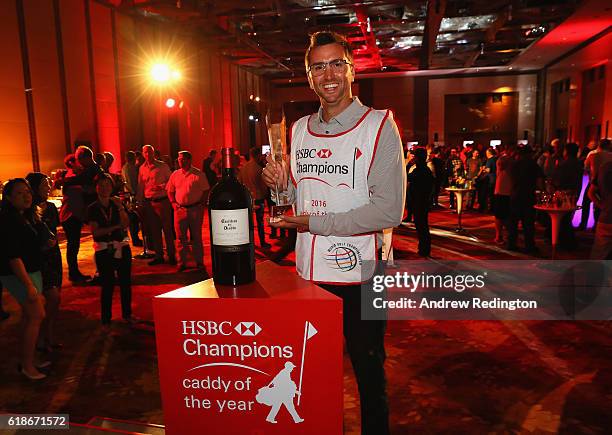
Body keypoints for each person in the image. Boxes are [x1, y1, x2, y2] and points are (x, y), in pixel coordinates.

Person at [262, 31, 405, 435]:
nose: (328, 74)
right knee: (315, 372)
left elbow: (387, 210)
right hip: (311, 276)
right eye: (318, 66)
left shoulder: (378, 126)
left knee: (368, 370)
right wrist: (278, 184)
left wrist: (314, 223)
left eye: (336, 64)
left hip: (363, 275)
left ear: (351, 69)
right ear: (309, 76)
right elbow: (297, 195)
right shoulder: (300, 129)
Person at [0, 179, 53, 379]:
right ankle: (28, 367)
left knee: (30, 316)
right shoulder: (8, 219)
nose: (26, 196)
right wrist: (28, 284)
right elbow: (13, 256)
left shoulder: (26, 216)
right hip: (18, 274)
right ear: (8, 197)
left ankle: (27, 360)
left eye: (28, 191)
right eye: (20, 193)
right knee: (36, 315)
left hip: (31, 271)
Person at [86, 174, 133, 327]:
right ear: (96, 187)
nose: (105, 188)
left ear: (112, 187)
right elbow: (96, 233)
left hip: (122, 246)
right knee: (107, 284)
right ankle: (106, 318)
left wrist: (120, 207)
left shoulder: (116, 204)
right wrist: (114, 227)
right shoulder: (92, 208)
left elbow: (126, 224)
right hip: (104, 250)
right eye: (101, 185)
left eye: (108, 184)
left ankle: (127, 314)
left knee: (125, 283)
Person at [26, 172, 63, 353]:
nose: (48, 188)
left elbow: (54, 231)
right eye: (44, 185)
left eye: (48, 184)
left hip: (53, 255)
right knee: (48, 298)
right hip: (38, 259)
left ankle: (50, 335)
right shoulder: (27, 210)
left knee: (55, 300)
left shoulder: (50, 207)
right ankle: (39, 339)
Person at [61, 146, 103, 281]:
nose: (79, 165)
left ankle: (79, 272)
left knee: (79, 244)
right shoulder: (74, 176)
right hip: (71, 214)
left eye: (79, 161)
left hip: (75, 214)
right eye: (76, 162)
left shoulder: (85, 174)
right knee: (74, 245)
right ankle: (74, 273)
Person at [166, 151, 209, 272]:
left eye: (183, 159)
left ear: (189, 160)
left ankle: (199, 262)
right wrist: (173, 203)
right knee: (180, 238)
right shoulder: (175, 174)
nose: (180, 161)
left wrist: (201, 204)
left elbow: (206, 190)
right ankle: (182, 262)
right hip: (179, 209)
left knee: (196, 237)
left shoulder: (198, 174)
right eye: (179, 159)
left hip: (195, 209)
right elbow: (169, 190)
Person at [137, 144, 176, 265]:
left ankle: (171, 255)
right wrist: (139, 201)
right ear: (143, 154)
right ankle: (159, 256)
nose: (148, 154)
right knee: (155, 231)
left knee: (167, 230)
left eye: (150, 152)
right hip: (149, 202)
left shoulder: (162, 166)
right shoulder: (142, 168)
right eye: (145, 152)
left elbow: (171, 182)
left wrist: (162, 186)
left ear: (154, 153)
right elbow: (141, 185)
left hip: (162, 201)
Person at [507, 146, 544, 253]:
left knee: (513, 222)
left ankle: (511, 244)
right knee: (528, 223)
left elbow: (512, 179)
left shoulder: (514, 164)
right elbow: (540, 181)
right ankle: (529, 246)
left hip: (515, 194)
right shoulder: (533, 164)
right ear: (529, 154)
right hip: (528, 195)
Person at [239, 147, 271, 248]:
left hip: (248, 197)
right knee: (260, 222)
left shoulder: (244, 168)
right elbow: (263, 185)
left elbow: (240, 181)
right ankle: (262, 242)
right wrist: (266, 194)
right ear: (257, 155)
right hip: (258, 197)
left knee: (248, 222)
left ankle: (249, 242)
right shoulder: (258, 169)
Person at [407, 148, 434, 257]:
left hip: (420, 202)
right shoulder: (425, 170)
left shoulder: (420, 170)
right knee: (422, 226)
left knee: (422, 227)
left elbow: (407, 177)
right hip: (422, 202)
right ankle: (424, 249)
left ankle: (424, 250)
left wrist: (408, 165)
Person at [589, 160, 612, 259]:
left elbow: (590, 193)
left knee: (598, 256)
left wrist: (603, 206)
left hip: (606, 218)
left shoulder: (604, 167)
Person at [121, 150, 143, 246]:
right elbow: (128, 182)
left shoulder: (134, 167)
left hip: (135, 194)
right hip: (130, 196)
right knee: (133, 218)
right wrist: (133, 194)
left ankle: (136, 237)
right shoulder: (127, 168)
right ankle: (134, 239)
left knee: (136, 219)